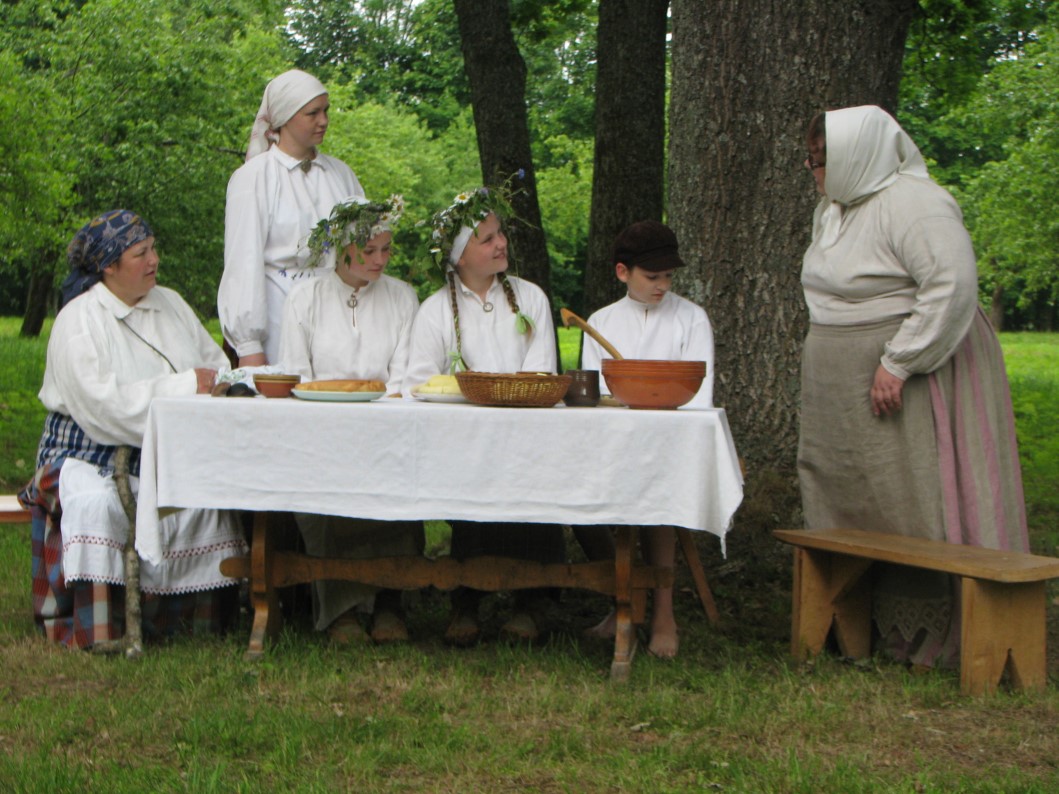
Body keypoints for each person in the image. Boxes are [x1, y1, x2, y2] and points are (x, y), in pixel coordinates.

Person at [798, 105, 1028, 669]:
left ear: (857, 156)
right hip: (841, 380)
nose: (813, 170)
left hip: (911, 373)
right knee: (853, 493)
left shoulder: (916, 203)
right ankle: (858, 624)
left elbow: (952, 283)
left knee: (912, 490)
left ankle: (931, 636)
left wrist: (901, 361)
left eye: (822, 160)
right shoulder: (833, 210)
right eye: (811, 159)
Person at [19, 210, 248, 649]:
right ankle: (102, 626)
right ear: (108, 266)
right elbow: (103, 408)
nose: (154, 260)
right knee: (99, 505)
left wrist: (217, 385)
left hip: (169, 447)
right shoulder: (79, 320)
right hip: (85, 452)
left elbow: (216, 366)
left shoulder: (171, 303)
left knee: (207, 505)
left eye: (153, 249)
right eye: (141, 253)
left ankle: (189, 625)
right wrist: (186, 386)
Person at [404, 183, 565, 645]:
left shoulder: (530, 298)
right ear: (459, 257)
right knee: (471, 504)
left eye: (501, 234)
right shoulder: (435, 311)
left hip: (526, 434)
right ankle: (467, 599)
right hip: (463, 441)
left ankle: (534, 601)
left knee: (532, 503)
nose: (501, 244)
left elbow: (540, 369)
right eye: (488, 238)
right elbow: (421, 381)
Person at [277, 194, 424, 643]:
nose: (381, 259)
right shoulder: (305, 298)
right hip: (321, 433)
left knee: (396, 487)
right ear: (341, 248)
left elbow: (405, 375)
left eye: (386, 249)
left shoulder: (402, 297)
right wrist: (335, 427)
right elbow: (296, 374)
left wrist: (380, 424)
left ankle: (389, 602)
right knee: (329, 498)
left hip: (387, 428)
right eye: (369, 250)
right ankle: (341, 610)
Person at [579, 219, 716, 658]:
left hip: (670, 445)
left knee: (659, 490)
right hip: (613, 444)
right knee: (578, 491)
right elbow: (597, 397)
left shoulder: (691, 319)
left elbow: (698, 395)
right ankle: (624, 599)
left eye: (668, 276)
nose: (663, 286)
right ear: (623, 272)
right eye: (652, 276)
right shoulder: (601, 323)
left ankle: (663, 613)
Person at [219, 69, 364, 367]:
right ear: (285, 117)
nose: (323, 121)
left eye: (326, 110)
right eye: (312, 113)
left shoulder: (341, 174)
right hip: (279, 316)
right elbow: (243, 262)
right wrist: (249, 346)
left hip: (338, 316)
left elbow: (363, 248)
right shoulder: (254, 177)